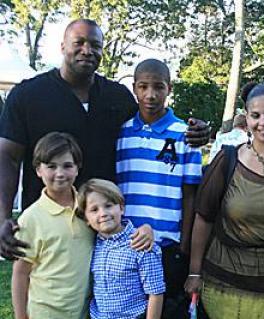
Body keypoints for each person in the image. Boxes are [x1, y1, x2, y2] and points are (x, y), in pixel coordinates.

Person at [0, 18, 210, 260]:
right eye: (78, 42)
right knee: (49, 293)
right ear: (62, 46)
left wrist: (195, 130)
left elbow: (151, 123)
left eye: (95, 45)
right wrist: (3, 216)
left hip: (109, 230)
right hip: (49, 224)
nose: (87, 50)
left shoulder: (118, 98)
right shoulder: (28, 96)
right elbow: (8, 157)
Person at [184, 83, 264, 319]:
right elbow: (204, 218)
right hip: (221, 290)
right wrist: (194, 272)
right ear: (247, 117)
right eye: (256, 116)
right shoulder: (227, 160)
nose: (263, 122)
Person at [116, 59, 203, 318]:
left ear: (169, 88)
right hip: (125, 244)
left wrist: (184, 245)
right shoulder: (121, 133)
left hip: (166, 246)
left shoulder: (184, 134)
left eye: (158, 87)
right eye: (143, 87)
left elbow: (190, 194)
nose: (150, 94)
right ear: (134, 88)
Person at [11, 132, 93, 319]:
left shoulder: (88, 208)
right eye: (51, 166)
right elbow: (20, 273)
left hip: (83, 311)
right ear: (38, 170)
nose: (60, 173)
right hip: (44, 313)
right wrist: (20, 316)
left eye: (67, 166)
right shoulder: (31, 218)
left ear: (77, 168)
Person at [76, 179, 165, 319]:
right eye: (94, 210)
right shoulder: (92, 244)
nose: (103, 213)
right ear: (86, 218)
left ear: (121, 208)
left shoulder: (141, 244)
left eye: (108, 206)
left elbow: (156, 293)